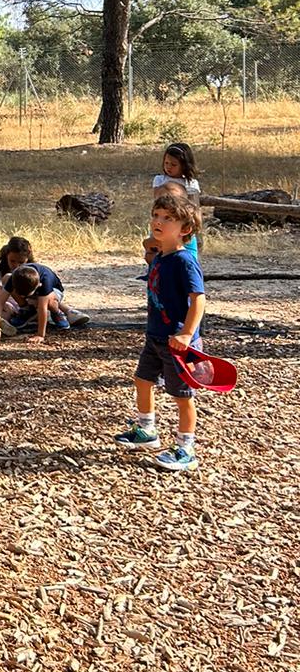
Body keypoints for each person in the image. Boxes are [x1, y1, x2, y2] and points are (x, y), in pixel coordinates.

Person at [115, 193, 206, 473]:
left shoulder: (184, 261)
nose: (158, 221)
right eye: (156, 215)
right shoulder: (160, 258)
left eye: (168, 218)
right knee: (142, 380)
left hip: (177, 343)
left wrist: (187, 334)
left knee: (181, 395)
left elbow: (199, 299)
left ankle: (186, 449)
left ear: (185, 229)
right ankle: (147, 430)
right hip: (155, 336)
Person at [0, 244, 89, 341]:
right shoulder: (14, 277)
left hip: (54, 291)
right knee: (6, 278)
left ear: (38, 286)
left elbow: (42, 308)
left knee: (49, 302)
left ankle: (57, 312)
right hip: (31, 292)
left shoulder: (45, 282)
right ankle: (28, 311)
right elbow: (0, 302)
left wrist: (40, 335)